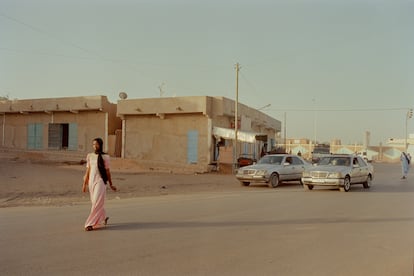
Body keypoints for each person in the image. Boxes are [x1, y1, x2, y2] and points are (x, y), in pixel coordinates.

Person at [82, 138, 117, 231]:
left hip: (101, 181)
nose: (95, 146)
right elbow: (88, 171)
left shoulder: (106, 157)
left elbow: (108, 171)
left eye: (96, 144)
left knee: (97, 202)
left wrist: (111, 184)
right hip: (91, 181)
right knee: (95, 202)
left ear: (100, 145)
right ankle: (103, 217)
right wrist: (84, 184)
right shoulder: (90, 156)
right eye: (93, 144)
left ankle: (90, 223)